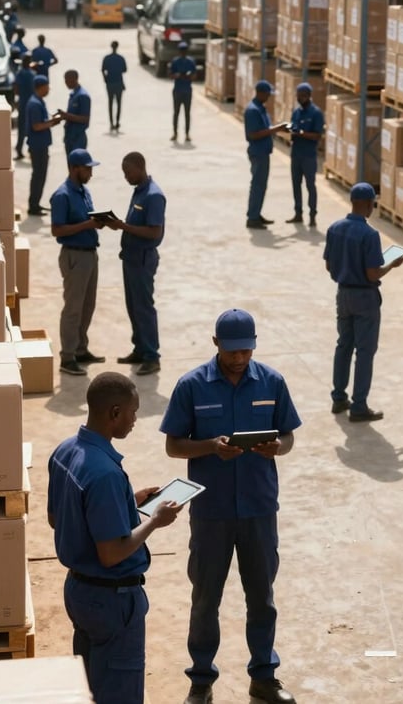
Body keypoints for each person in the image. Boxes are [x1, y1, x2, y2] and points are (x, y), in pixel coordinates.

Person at [160, 309, 301, 704]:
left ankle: (263, 676)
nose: (240, 359)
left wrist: (279, 448)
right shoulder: (192, 386)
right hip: (212, 511)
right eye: (232, 351)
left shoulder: (273, 382)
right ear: (216, 344)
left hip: (258, 507)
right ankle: (201, 680)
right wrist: (209, 447)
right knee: (206, 598)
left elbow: (288, 434)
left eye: (246, 351)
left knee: (262, 597)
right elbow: (173, 445)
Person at [47, 372, 182, 704]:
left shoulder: (66, 451)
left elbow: (57, 516)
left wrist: (127, 502)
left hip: (79, 594)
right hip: (111, 600)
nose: (135, 420)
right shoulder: (105, 472)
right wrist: (154, 521)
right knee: (118, 693)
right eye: (134, 413)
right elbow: (111, 554)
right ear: (115, 412)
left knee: (90, 688)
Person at [323, 182, 403, 421]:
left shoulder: (335, 228)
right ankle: (359, 406)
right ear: (369, 205)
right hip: (365, 297)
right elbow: (372, 274)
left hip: (343, 294)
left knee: (343, 346)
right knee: (365, 352)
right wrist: (391, 265)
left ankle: (339, 398)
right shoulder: (370, 235)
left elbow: (329, 266)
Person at [106, 153, 165, 377]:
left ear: (140, 167)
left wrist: (123, 226)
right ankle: (140, 348)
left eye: (128, 172)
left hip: (142, 258)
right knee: (133, 306)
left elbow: (154, 231)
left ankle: (152, 356)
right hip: (131, 258)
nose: (126, 177)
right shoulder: (139, 191)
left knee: (143, 307)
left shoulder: (153, 196)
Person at [50, 149, 106, 376]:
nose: (91, 173)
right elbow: (57, 229)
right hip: (74, 255)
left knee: (88, 305)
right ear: (75, 169)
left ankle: (81, 349)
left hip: (90, 253)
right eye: (87, 168)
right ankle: (67, 357)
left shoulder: (84, 191)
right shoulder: (62, 195)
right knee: (73, 308)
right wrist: (87, 226)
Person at [244, 80, 288, 229]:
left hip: (264, 151)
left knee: (261, 185)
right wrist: (276, 129)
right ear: (261, 93)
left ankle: (256, 213)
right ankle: (252, 217)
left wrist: (278, 129)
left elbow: (265, 128)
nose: (269, 97)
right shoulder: (253, 110)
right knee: (257, 185)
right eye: (268, 94)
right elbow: (253, 134)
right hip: (258, 152)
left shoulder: (261, 108)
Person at [285, 82, 324, 227]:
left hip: (308, 155)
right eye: (298, 95)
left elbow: (317, 135)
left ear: (308, 96)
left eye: (302, 96)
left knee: (310, 185)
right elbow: (293, 127)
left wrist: (301, 133)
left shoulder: (316, 113)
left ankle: (312, 215)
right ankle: (298, 213)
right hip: (296, 154)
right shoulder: (296, 112)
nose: (299, 98)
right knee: (296, 185)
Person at [26, 75, 62, 216]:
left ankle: (36, 203)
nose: (48, 90)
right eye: (47, 88)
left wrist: (52, 119)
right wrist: (53, 122)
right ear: (40, 88)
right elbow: (37, 126)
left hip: (40, 144)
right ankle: (33, 205)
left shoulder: (38, 101)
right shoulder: (35, 104)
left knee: (40, 176)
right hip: (38, 145)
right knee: (38, 176)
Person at [59, 69, 92, 159]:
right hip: (69, 136)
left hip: (78, 137)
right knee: (70, 167)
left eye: (67, 80)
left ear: (75, 79)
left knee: (77, 167)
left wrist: (66, 115)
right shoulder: (73, 94)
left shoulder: (83, 96)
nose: (66, 83)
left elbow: (85, 118)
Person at [169, 41, 196, 142]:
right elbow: (170, 74)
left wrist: (188, 76)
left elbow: (195, 75)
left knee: (187, 113)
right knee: (176, 112)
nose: (183, 52)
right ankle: (175, 133)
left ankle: (187, 133)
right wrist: (177, 75)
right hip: (178, 90)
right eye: (181, 51)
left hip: (187, 90)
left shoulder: (190, 62)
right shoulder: (175, 62)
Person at [13, 53, 35, 161]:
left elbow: (16, 88)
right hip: (31, 105)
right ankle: (31, 150)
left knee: (21, 129)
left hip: (23, 104)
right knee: (31, 128)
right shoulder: (32, 74)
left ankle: (19, 150)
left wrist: (16, 100)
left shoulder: (20, 73)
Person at [101, 41, 127, 131]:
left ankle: (111, 122)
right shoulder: (121, 58)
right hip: (119, 82)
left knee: (110, 103)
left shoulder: (107, 58)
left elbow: (103, 69)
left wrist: (105, 78)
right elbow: (124, 70)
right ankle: (117, 121)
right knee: (119, 103)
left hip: (110, 82)